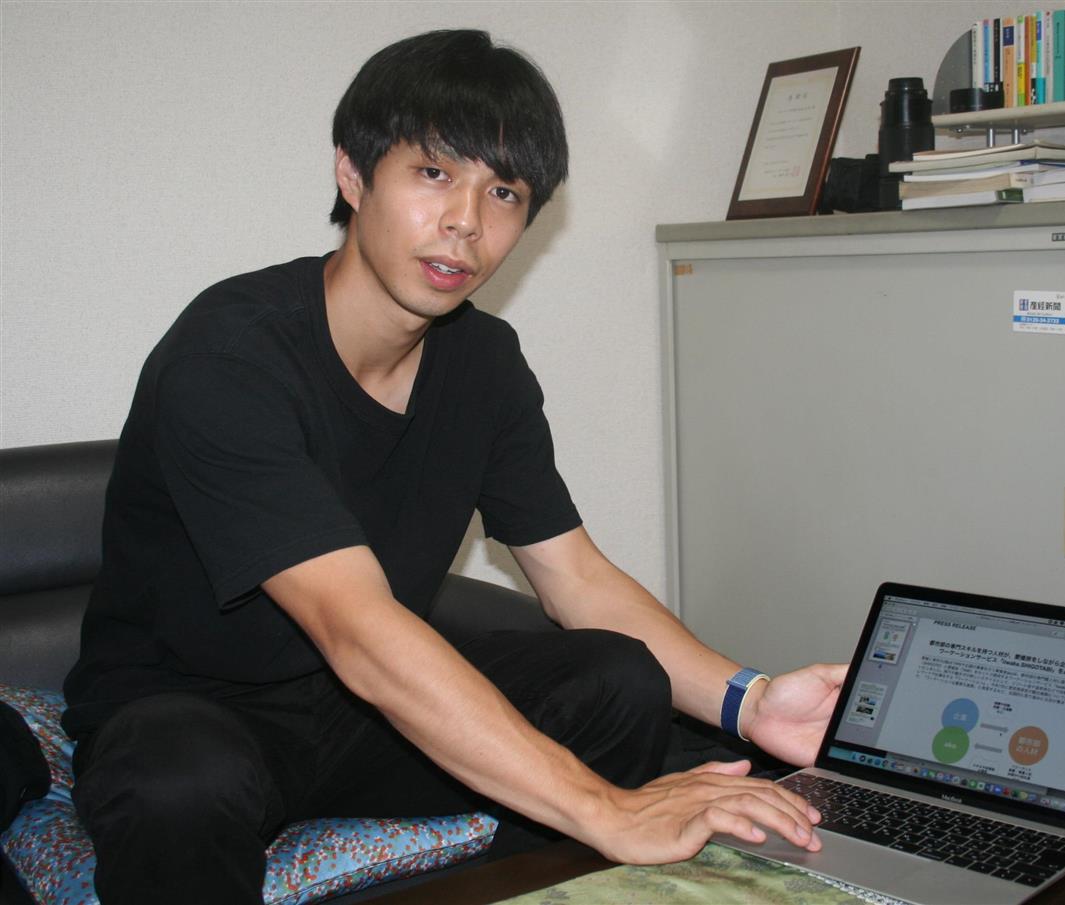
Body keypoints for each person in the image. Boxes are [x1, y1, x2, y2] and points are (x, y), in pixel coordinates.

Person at [62, 29, 847, 903]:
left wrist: (751, 701)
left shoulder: (484, 363)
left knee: (620, 677)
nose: (466, 222)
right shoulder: (229, 355)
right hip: (193, 713)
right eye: (434, 172)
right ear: (353, 175)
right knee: (177, 782)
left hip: (358, 719)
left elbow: (577, 577)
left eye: (503, 192)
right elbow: (357, 628)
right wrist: (605, 807)